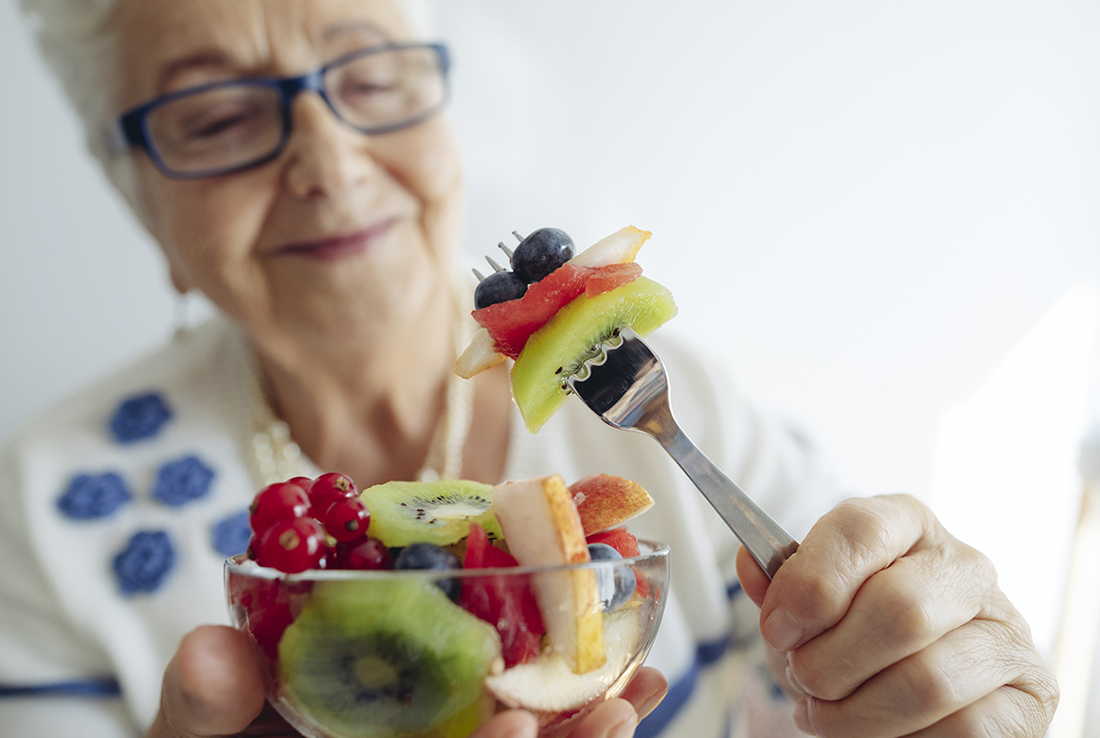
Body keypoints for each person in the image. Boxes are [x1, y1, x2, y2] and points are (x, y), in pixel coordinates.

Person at [0, 0, 1058, 737]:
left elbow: (838, 684)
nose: (326, 161)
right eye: (220, 117)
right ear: (139, 200)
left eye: (371, 76)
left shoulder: (659, 403)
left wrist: (926, 676)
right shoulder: (46, 510)